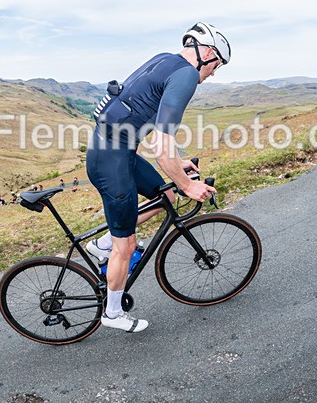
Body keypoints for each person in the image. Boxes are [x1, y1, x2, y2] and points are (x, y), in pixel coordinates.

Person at [84, 21, 229, 333]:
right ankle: (111, 313)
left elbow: (155, 136)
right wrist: (188, 184)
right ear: (206, 52)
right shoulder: (187, 75)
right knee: (127, 245)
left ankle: (103, 244)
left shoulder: (166, 59)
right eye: (216, 65)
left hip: (116, 151)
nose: (213, 73)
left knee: (165, 195)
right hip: (112, 160)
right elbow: (161, 147)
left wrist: (181, 165)